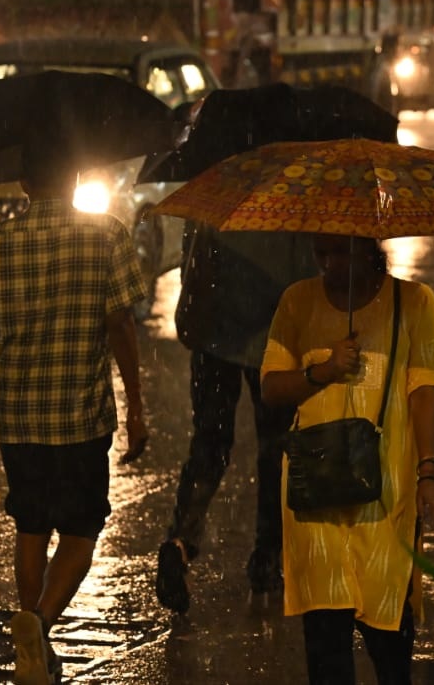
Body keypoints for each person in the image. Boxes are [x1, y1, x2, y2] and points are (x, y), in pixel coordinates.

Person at [0, 137, 149, 685]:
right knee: (82, 530)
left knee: (31, 522)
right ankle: (38, 626)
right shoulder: (107, 234)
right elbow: (121, 325)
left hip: (17, 414)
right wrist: (136, 406)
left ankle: (31, 657)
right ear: (73, 183)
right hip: (79, 415)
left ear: (24, 184)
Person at [260, 234, 434, 685]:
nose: (329, 263)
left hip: (386, 494)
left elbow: (424, 391)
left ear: (370, 249)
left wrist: (429, 472)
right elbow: (271, 387)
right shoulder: (297, 300)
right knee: (325, 644)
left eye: (340, 251)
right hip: (316, 493)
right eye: (320, 251)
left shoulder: (415, 302)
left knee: (389, 641)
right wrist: (323, 372)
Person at [154, 224, 318, 613]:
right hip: (273, 344)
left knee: (209, 443)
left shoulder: (218, 200)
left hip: (213, 341)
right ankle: (266, 558)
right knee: (275, 450)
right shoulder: (291, 208)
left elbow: (190, 265)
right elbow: (306, 278)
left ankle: (180, 539)